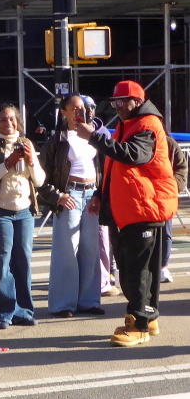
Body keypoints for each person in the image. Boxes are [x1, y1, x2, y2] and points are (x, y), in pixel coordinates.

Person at [74, 80, 178, 346]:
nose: (117, 107)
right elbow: (114, 168)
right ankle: (148, 318)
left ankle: (140, 323)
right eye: (114, 102)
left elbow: (133, 155)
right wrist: (100, 195)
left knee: (137, 271)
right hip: (132, 209)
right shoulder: (127, 125)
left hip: (144, 208)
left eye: (121, 102)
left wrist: (94, 137)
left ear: (137, 102)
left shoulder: (146, 125)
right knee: (135, 269)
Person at [0, 104, 46, 329]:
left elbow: (39, 181)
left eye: (13, 119)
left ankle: (23, 311)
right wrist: (7, 164)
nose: (9, 123)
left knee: (23, 261)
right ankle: (2, 313)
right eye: (4, 120)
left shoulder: (26, 143)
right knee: (2, 262)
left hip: (24, 212)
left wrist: (31, 162)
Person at [38, 94, 104, 318]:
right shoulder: (57, 140)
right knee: (67, 250)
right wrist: (57, 196)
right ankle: (63, 304)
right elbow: (39, 177)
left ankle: (89, 301)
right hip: (70, 195)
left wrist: (99, 194)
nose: (80, 111)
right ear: (64, 112)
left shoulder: (93, 135)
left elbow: (102, 168)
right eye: (74, 108)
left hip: (91, 195)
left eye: (82, 107)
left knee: (91, 249)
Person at [80, 95, 122, 299]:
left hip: (99, 191)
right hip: (74, 192)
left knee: (103, 237)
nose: (89, 110)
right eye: (84, 107)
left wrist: (102, 192)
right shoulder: (66, 133)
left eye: (92, 106)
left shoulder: (103, 133)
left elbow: (109, 165)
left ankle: (105, 280)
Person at [159, 135, 188, 283]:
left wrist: (173, 187)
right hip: (146, 196)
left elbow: (181, 166)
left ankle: (163, 266)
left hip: (166, 195)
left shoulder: (169, 143)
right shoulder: (138, 139)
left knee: (166, 231)